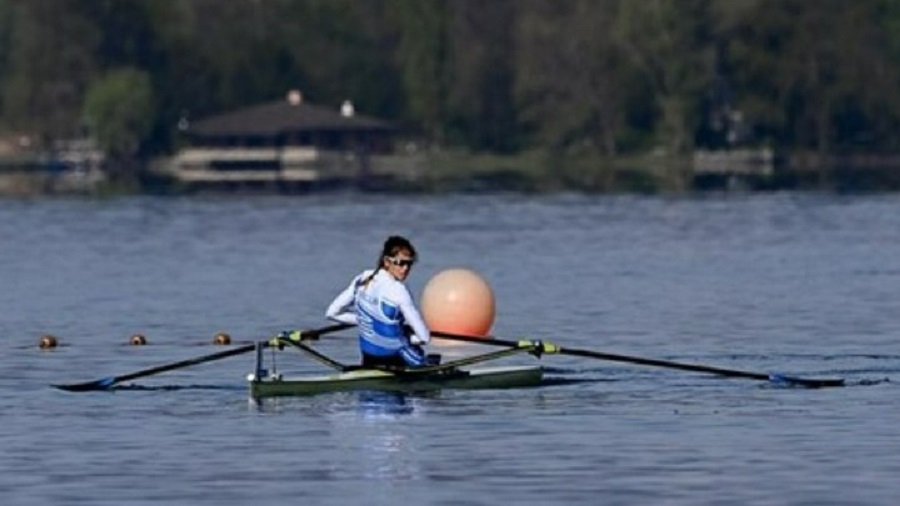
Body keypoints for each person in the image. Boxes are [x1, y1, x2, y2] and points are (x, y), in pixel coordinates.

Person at [326, 235, 432, 368]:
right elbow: (424, 338)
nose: (405, 268)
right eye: (400, 263)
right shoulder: (398, 290)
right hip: (395, 358)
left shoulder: (363, 278)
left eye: (409, 263)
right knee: (424, 358)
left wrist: (366, 320)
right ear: (387, 261)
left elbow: (332, 314)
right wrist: (406, 335)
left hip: (369, 358)